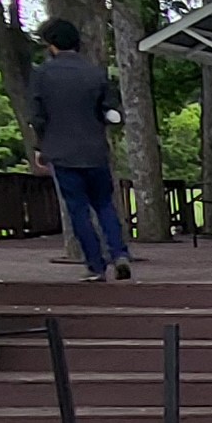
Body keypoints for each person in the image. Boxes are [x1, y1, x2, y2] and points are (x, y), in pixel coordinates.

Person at [29, 18, 133, 281]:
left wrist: (40, 147)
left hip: (62, 152)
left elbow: (38, 117)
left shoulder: (42, 75)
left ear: (51, 45)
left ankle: (95, 265)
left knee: (78, 210)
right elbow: (109, 110)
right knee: (104, 205)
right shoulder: (95, 73)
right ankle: (119, 252)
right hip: (95, 150)